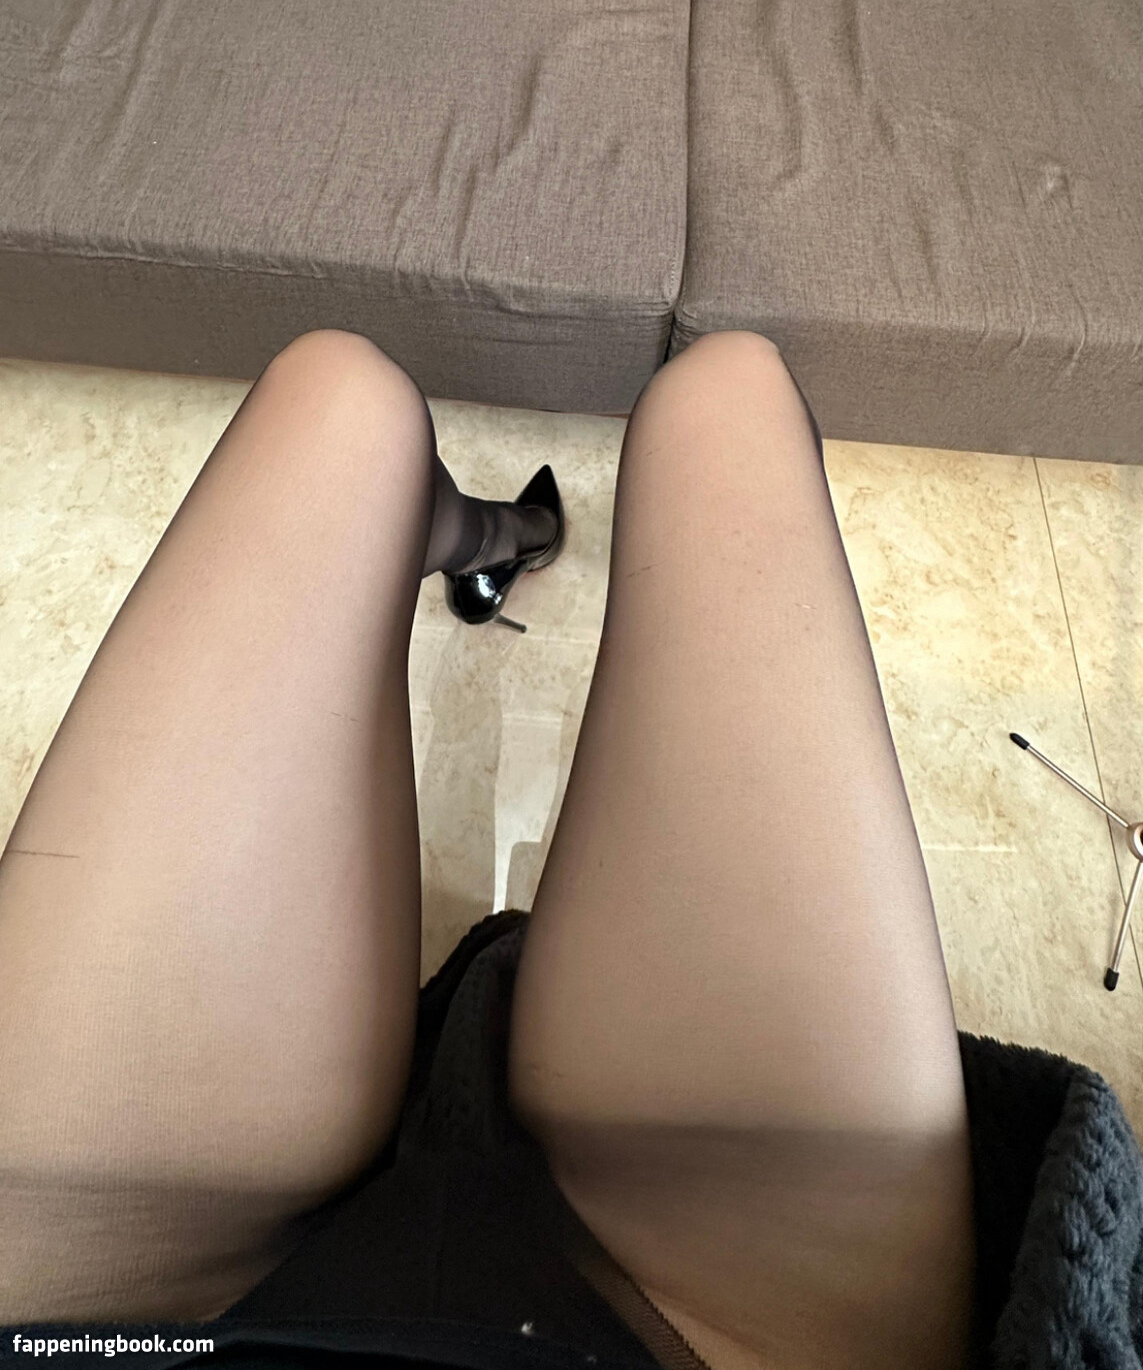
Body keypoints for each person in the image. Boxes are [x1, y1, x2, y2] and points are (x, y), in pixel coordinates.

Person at [0, 327, 984, 1368]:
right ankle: (494, 540)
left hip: (103, 1327)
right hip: (715, 1341)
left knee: (340, 399)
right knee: (725, 402)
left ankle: (487, 542)